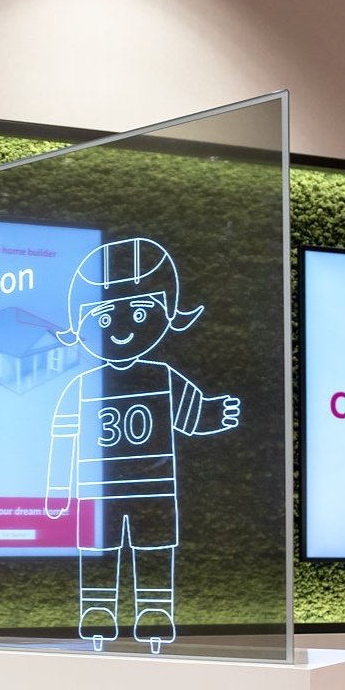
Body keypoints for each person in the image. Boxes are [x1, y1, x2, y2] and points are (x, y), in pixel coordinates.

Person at [44, 238, 240, 653]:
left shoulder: (162, 376)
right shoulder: (82, 386)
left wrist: (215, 413)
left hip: (154, 492)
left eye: (138, 313)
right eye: (103, 317)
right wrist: (59, 492)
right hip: (98, 495)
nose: (121, 329)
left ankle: (154, 611)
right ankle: (98, 610)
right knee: (98, 550)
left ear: (167, 315)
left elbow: (193, 414)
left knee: (154, 548)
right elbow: (64, 437)